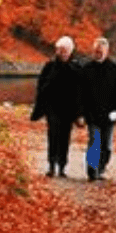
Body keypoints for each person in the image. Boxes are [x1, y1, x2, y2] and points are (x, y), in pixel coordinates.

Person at [31, 36, 83, 177]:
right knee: (53, 136)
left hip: (69, 110)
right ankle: (51, 165)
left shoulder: (76, 68)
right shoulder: (49, 67)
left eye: (65, 50)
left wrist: (80, 113)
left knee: (65, 138)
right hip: (53, 108)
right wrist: (41, 107)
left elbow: (80, 93)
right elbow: (41, 87)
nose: (62, 53)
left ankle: (62, 166)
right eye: (60, 50)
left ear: (70, 51)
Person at [81, 36, 116, 182]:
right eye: (96, 51)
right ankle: (91, 170)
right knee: (94, 141)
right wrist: (80, 113)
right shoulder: (86, 69)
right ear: (93, 51)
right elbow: (79, 93)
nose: (99, 53)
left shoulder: (115, 70)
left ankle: (100, 169)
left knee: (106, 146)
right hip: (91, 114)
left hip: (109, 115)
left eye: (101, 51)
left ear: (107, 51)